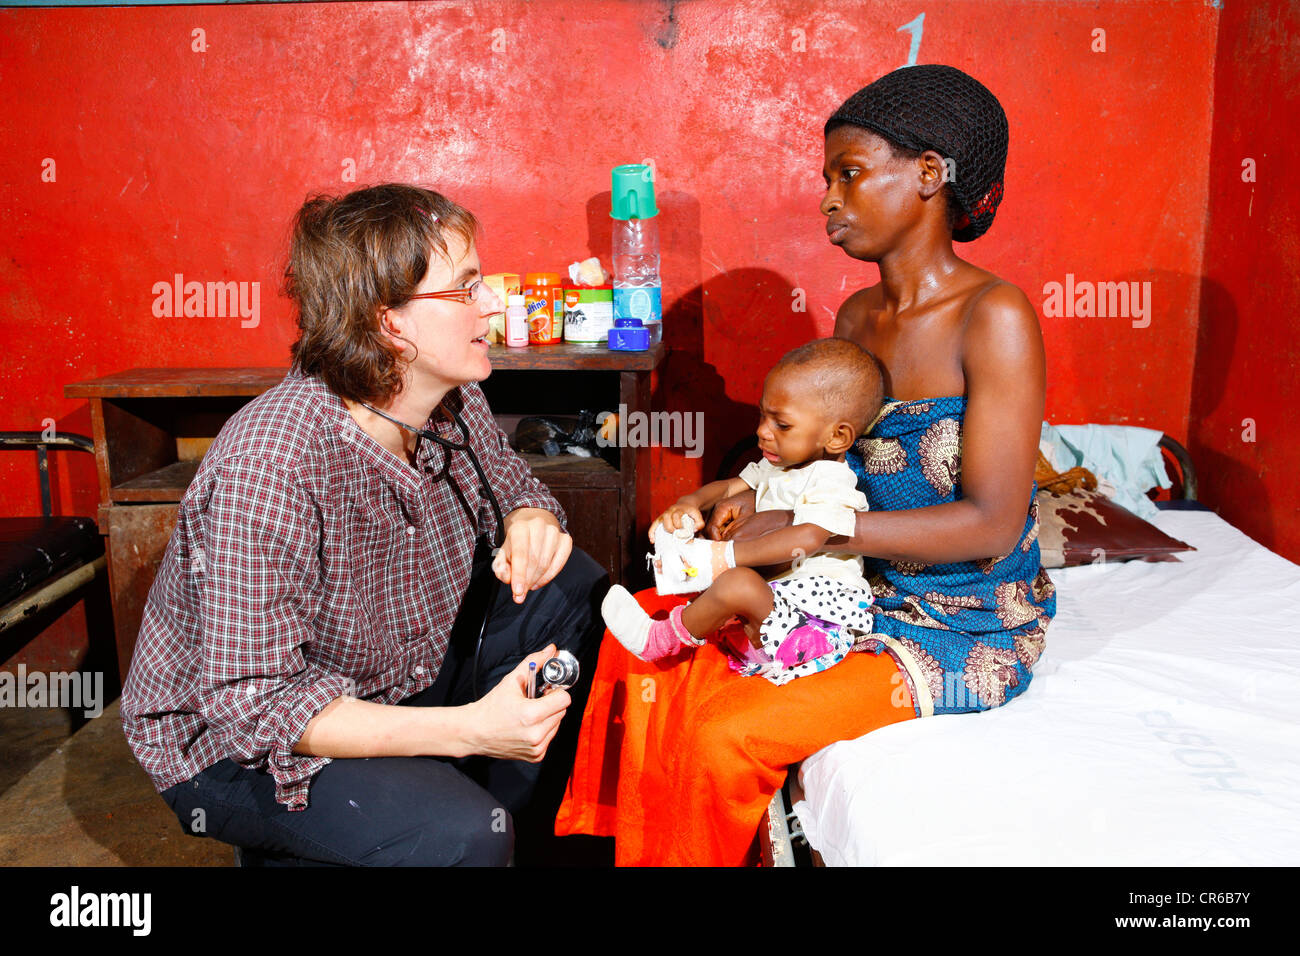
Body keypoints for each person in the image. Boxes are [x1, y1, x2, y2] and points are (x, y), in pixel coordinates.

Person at [556, 64, 1057, 866]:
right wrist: (739, 506)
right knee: (646, 636)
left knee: (728, 732)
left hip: (959, 622)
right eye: (828, 178)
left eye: (850, 175)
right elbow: (827, 462)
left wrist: (823, 536)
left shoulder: (993, 317)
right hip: (846, 594)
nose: (828, 199)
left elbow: (992, 522)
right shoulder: (860, 316)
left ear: (929, 174)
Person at [120, 183, 609, 866]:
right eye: (466, 289)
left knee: (576, 588)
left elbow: (517, 486)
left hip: (391, 674)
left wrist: (531, 516)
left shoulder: (451, 397)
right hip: (239, 747)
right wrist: (467, 729)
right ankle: (377, 829)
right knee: (459, 836)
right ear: (389, 324)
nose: (492, 304)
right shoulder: (272, 464)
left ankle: (466, 813)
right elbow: (253, 705)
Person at [602, 338, 883, 685]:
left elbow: (811, 535)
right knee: (719, 579)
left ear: (837, 437)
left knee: (735, 582)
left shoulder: (831, 478)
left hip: (810, 628)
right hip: (771, 609)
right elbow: (730, 486)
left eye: (782, 425)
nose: (762, 431)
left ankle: (656, 641)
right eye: (762, 416)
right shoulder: (779, 464)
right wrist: (691, 501)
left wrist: (725, 556)